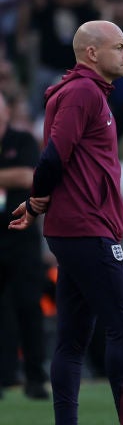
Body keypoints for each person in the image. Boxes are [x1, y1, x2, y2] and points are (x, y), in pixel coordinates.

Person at [9, 20, 123, 425]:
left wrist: (39, 206)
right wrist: (35, 202)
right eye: (120, 47)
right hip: (86, 227)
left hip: (77, 227)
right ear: (91, 52)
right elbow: (53, 155)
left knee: (73, 335)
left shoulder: (88, 93)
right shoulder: (84, 93)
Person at [0, 92, 49, 400]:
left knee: (29, 306)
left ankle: (35, 377)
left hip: (21, 237)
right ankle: (4, 377)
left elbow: (27, 175)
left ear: (6, 113)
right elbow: (15, 176)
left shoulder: (23, 139)